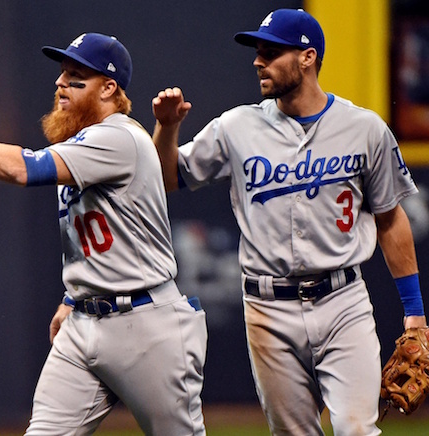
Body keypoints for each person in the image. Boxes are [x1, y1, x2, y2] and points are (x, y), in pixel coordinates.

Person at [0, 32, 208, 435]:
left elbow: (22, 169)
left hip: (146, 324)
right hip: (84, 322)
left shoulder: (119, 135)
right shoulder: (82, 140)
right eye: (62, 73)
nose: (59, 83)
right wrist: (74, 295)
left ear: (108, 87)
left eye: (74, 75)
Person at [151, 8, 426, 436]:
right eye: (258, 51)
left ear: (307, 57)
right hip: (267, 308)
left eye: (271, 51)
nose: (258, 60)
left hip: (343, 303)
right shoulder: (236, 126)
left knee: (357, 430)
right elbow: (168, 178)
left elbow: (391, 221)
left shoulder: (364, 128)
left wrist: (415, 315)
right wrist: (167, 129)